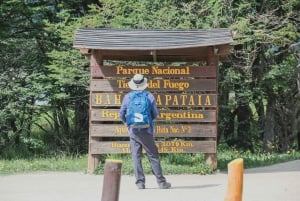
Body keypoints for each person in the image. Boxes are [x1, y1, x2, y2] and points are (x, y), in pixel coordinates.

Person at [119, 74, 171, 189]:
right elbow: (155, 114)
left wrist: (128, 124)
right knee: (153, 155)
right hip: (147, 131)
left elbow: (121, 114)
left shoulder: (127, 97)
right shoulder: (149, 96)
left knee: (136, 156)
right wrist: (147, 122)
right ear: (144, 84)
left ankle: (140, 183)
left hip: (133, 131)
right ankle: (161, 182)